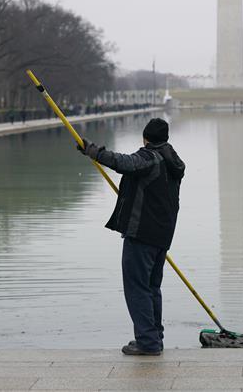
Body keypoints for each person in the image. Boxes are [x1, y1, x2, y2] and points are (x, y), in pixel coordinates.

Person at [77, 117, 185, 356]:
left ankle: (147, 342)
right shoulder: (172, 161)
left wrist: (93, 152)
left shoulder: (150, 158)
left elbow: (124, 163)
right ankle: (155, 337)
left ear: (145, 138)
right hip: (162, 235)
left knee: (137, 288)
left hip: (142, 233)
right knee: (152, 287)